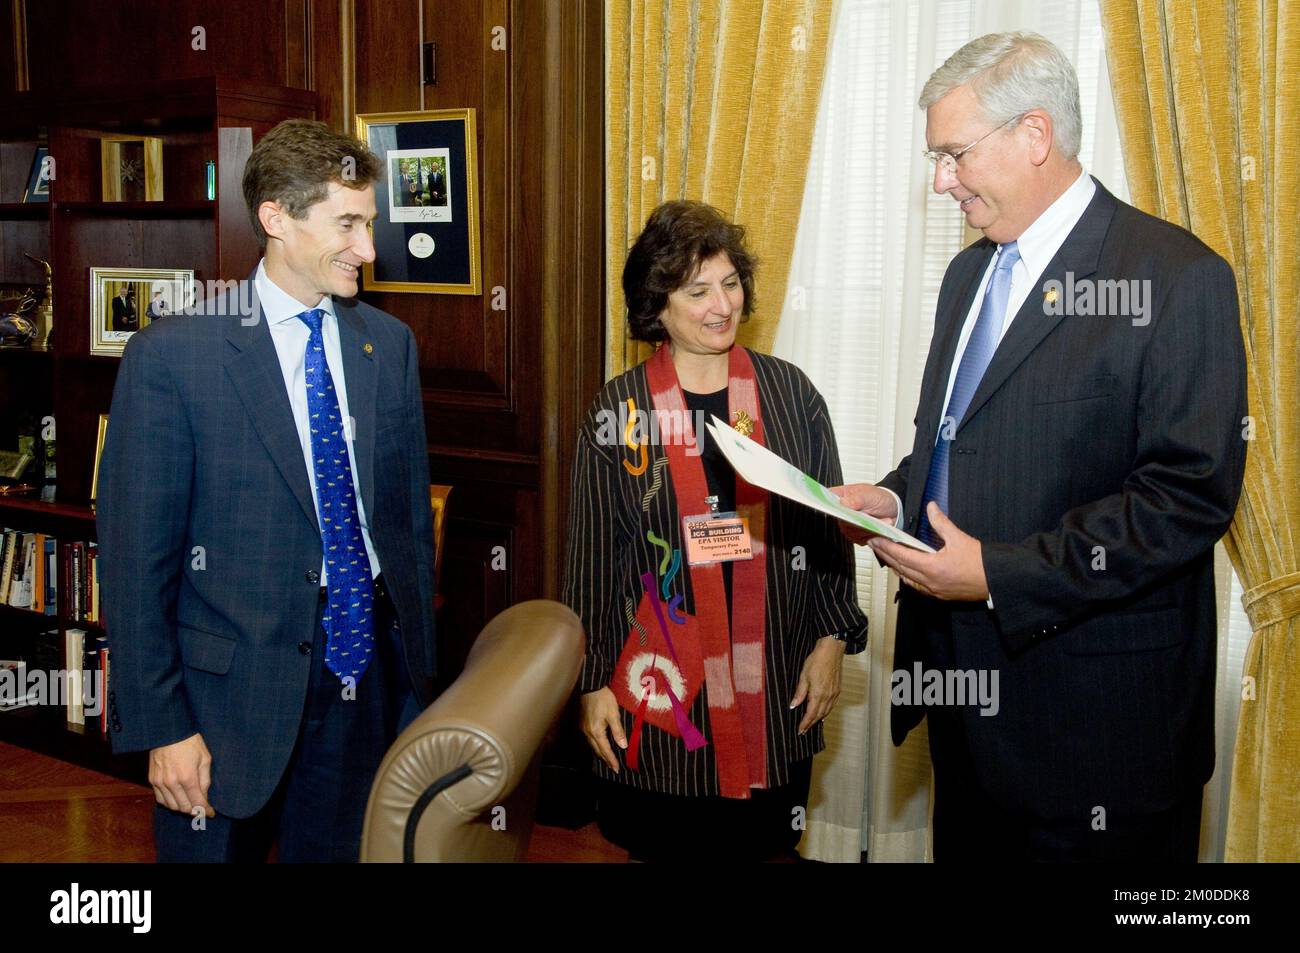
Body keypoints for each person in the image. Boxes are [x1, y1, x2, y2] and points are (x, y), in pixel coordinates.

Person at [833, 32, 1246, 862]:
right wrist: (895, 495)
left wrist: (999, 573)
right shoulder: (968, 275)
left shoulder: (1176, 277)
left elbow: (1186, 497)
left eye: (953, 155)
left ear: (1034, 136)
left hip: (1100, 735)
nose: (941, 180)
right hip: (967, 710)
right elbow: (966, 442)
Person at [98, 118, 438, 862]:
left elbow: (407, 529)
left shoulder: (390, 346)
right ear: (276, 219)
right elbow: (133, 565)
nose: (368, 249)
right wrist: (162, 724)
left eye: (371, 223)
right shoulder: (174, 356)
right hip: (226, 703)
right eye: (346, 223)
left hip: (364, 677)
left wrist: (417, 683)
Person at [564, 200, 867, 862]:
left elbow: (829, 533)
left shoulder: (792, 396)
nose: (720, 304)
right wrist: (590, 683)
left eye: (729, 283)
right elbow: (593, 560)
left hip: (777, 684)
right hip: (662, 690)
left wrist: (832, 642)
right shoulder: (619, 411)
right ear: (657, 305)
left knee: (762, 847)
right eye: (697, 289)